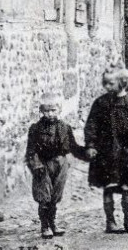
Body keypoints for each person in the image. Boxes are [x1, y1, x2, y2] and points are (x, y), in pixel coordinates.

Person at [84, 67, 128, 234]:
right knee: (108, 187)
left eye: (111, 83)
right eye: (105, 83)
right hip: (105, 153)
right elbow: (91, 126)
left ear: (123, 83)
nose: (107, 87)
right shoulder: (101, 103)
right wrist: (90, 145)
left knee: (127, 187)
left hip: (125, 153)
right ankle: (110, 221)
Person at [25, 92, 87, 238]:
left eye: (53, 110)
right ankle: (44, 226)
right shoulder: (35, 129)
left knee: (55, 196)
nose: (50, 114)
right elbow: (31, 150)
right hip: (43, 165)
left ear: (59, 110)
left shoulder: (65, 127)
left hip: (60, 164)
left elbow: (74, 147)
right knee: (44, 196)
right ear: (41, 111)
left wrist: (88, 153)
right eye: (46, 111)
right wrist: (36, 165)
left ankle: (53, 223)